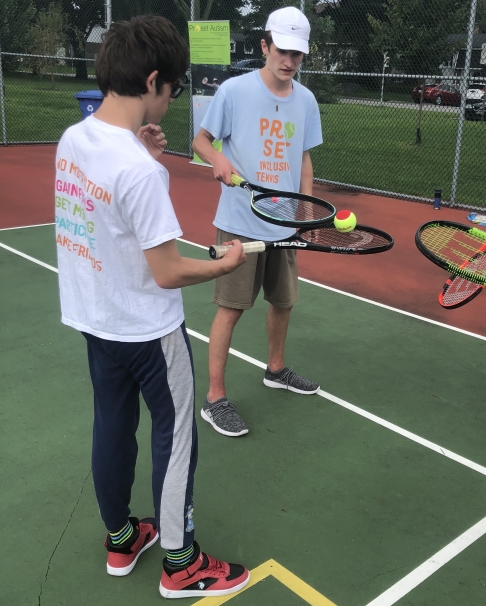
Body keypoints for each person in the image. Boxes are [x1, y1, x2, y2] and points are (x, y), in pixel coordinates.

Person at [54, 16, 251, 599]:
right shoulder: (139, 171)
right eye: (176, 89)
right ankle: (181, 562)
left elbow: (104, 202)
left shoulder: (75, 137)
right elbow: (167, 272)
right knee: (175, 432)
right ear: (155, 80)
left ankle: (121, 537)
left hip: (95, 319)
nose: (174, 101)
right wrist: (223, 264)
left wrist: (141, 149)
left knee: (112, 423)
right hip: (147, 328)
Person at [192, 6, 323, 437]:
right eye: (282, 51)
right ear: (265, 46)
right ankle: (214, 398)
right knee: (231, 309)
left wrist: (306, 211)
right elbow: (201, 140)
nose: (289, 62)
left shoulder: (306, 100)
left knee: (283, 302)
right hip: (239, 223)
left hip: (284, 226)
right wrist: (216, 158)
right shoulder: (234, 91)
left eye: (297, 55)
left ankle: (276, 369)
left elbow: (303, 158)